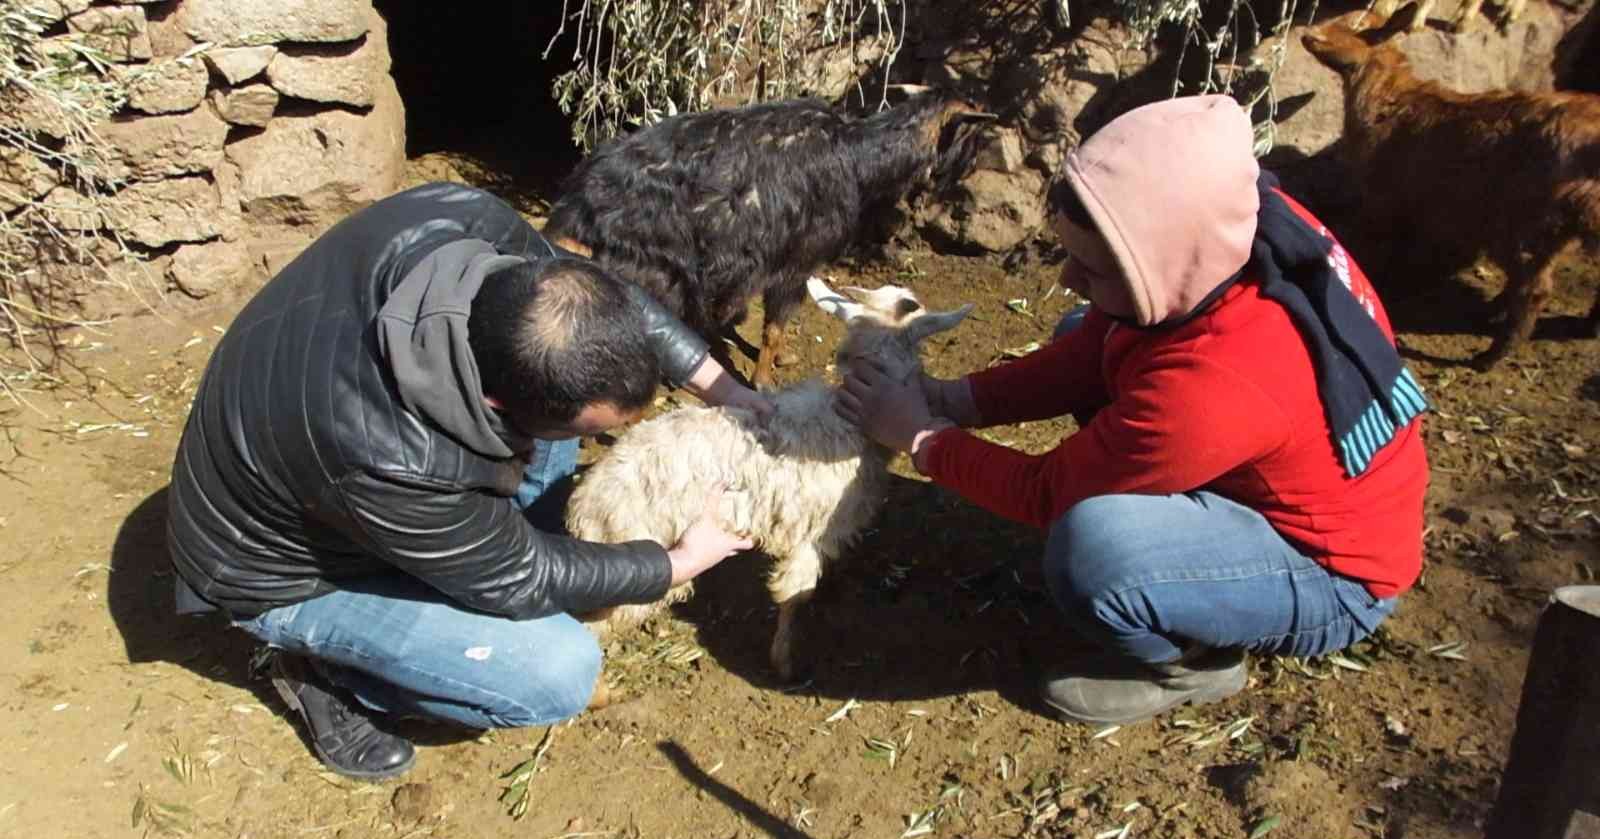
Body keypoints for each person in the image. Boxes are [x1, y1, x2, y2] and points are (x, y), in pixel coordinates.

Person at [838, 96, 1429, 726]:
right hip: (1290, 461)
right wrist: (957, 399)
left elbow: (1047, 494)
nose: (1066, 277)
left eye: (1089, 265)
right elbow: (1100, 344)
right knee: (1086, 326)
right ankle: (1185, 543)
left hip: (1334, 575)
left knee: (1095, 550)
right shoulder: (1234, 229)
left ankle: (1194, 664)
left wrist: (923, 437)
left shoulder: (1217, 382)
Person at [167, 182, 769, 780]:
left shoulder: (465, 224)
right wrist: (677, 564)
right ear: (496, 401)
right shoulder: (388, 455)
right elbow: (520, 576)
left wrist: (728, 391)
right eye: (576, 429)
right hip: (277, 570)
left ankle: (449, 566)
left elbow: (606, 305)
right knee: (555, 671)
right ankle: (325, 672)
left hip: (315, 456)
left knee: (547, 462)